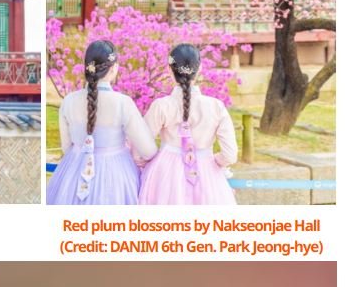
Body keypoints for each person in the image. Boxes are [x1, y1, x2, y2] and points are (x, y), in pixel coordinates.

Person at [47, 40, 157, 205]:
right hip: (116, 174)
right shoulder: (122, 103)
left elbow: (65, 147)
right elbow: (148, 150)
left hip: (73, 170)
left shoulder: (69, 101)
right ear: (113, 68)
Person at [138, 43, 238, 205]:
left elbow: (141, 148)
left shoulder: (161, 106)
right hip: (207, 172)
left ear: (170, 70)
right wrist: (213, 161)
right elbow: (230, 154)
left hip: (165, 174)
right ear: (199, 69)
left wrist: (145, 164)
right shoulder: (215, 107)